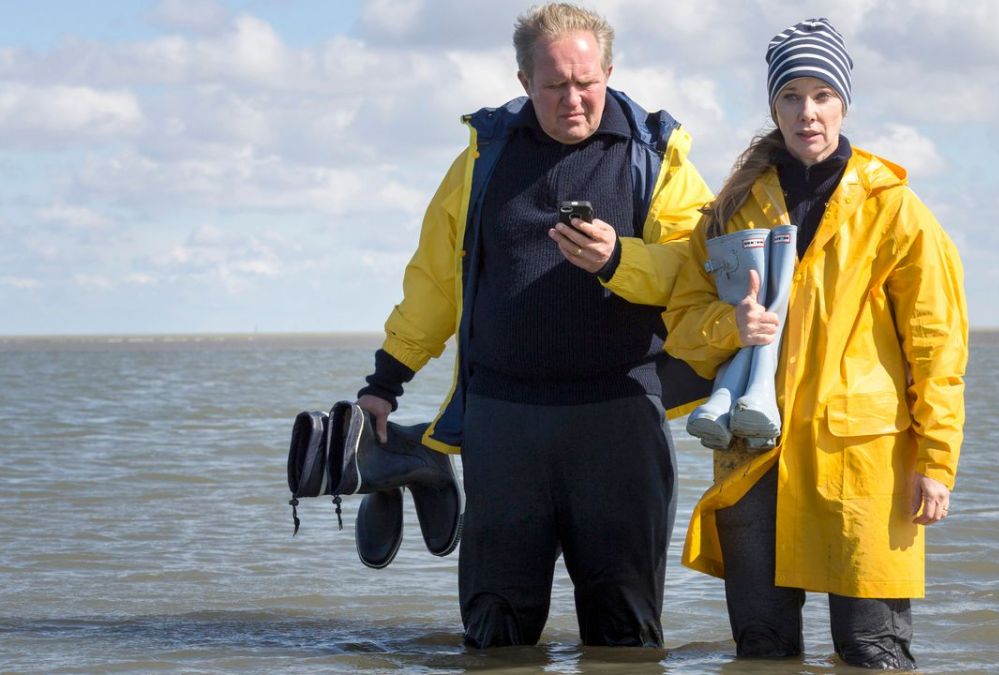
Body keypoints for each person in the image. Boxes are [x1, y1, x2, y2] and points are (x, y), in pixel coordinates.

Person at [353, 2, 712, 649]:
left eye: (586, 83)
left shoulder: (656, 156)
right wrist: (386, 382)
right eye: (554, 86)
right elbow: (435, 281)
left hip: (619, 420)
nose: (573, 99)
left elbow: (697, 272)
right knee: (495, 630)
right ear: (524, 81)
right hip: (505, 423)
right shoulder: (483, 159)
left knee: (624, 635)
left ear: (609, 72)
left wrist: (619, 260)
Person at [663, 18, 967, 669]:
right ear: (774, 107)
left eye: (823, 94)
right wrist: (732, 325)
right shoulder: (729, 208)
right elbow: (683, 325)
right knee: (762, 649)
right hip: (754, 453)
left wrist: (936, 460)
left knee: (873, 649)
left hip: (861, 458)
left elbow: (936, 345)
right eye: (792, 96)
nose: (808, 112)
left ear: (843, 103)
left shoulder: (893, 207)